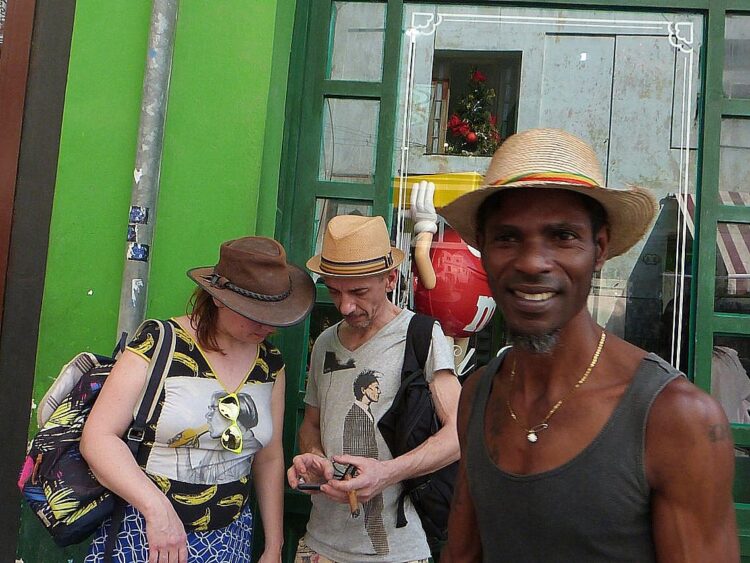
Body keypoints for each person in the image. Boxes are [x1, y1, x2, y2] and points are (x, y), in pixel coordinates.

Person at [438, 128, 739, 562]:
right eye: (507, 238)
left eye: (562, 237)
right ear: (482, 248)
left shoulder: (676, 418)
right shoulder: (479, 396)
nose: (532, 262)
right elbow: (461, 554)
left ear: (598, 250)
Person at [81, 236, 314, 563]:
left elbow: (269, 457)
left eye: (274, 313)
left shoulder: (270, 364)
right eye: (254, 312)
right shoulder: (161, 343)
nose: (267, 325)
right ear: (219, 299)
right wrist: (157, 511)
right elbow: (97, 438)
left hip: (229, 537)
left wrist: (273, 545)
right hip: (147, 531)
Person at [286, 214, 461, 563]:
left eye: (359, 291)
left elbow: (459, 434)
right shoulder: (324, 343)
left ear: (390, 278)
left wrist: (387, 474)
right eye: (334, 291)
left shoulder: (422, 337)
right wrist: (316, 458)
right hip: (319, 544)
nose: (345, 306)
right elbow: (311, 425)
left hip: (397, 551)